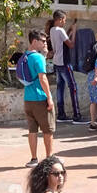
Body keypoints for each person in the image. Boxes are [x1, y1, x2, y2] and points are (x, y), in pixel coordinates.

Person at [21, 30, 56, 166]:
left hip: (28, 98)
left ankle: (34, 159)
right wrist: (49, 97)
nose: (45, 43)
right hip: (40, 98)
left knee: (32, 130)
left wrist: (45, 54)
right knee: (48, 130)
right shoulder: (38, 58)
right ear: (34, 41)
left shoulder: (25, 56)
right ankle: (49, 158)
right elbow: (43, 78)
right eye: (43, 41)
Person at [48, 11, 83, 123]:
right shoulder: (60, 30)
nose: (64, 22)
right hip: (64, 62)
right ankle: (77, 115)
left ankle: (61, 114)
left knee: (60, 88)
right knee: (73, 87)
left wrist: (69, 31)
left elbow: (63, 41)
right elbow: (71, 45)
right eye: (64, 20)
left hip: (57, 62)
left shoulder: (52, 30)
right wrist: (74, 32)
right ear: (60, 19)